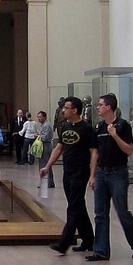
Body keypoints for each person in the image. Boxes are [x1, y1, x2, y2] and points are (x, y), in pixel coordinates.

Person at [87, 93, 133, 261]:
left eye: (100, 105)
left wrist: (114, 135)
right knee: (100, 213)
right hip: (101, 173)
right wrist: (92, 175)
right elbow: (95, 153)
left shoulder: (122, 126)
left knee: (121, 211)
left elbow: (128, 150)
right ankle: (101, 250)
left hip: (117, 173)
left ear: (109, 107)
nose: (98, 107)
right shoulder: (98, 127)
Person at [40, 96, 97, 255]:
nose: (63, 110)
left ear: (75, 110)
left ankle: (64, 243)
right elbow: (59, 148)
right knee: (78, 205)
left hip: (81, 171)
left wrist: (92, 175)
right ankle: (89, 240)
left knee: (73, 206)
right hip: (68, 171)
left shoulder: (87, 129)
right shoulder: (65, 127)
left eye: (66, 108)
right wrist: (47, 166)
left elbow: (94, 153)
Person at [36, 110, 55, 188]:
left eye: (40, 117)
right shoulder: (45, 125)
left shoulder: (46, 125)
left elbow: (44, 137)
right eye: (38, 117)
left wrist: (37, 136)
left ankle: (45, 182)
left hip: (45, 146)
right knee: (47, 165)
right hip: (45, 145)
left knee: (44, 164)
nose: (39, 119)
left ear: (44, 117)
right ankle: (50, 182)